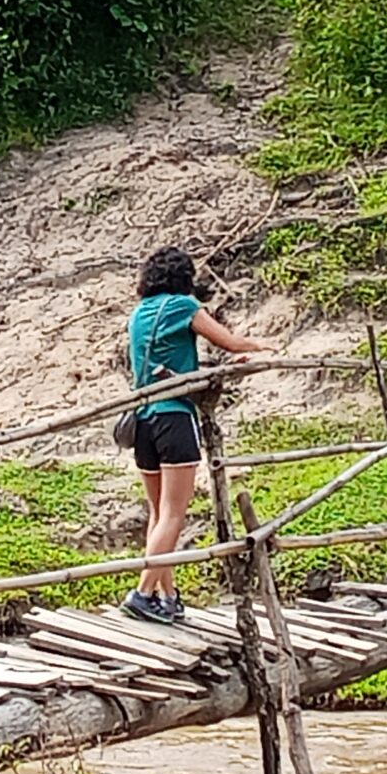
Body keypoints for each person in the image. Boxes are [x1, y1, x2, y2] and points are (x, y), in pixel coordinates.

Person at [121, 246, 268, 626]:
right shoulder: (183, 306)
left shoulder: (138, 314)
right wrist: (261, 346)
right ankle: (141, 594)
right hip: (174, 417)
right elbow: (229, 342)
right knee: (174, 513)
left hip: (143, 421)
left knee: (158, 514)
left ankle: (167, 596)